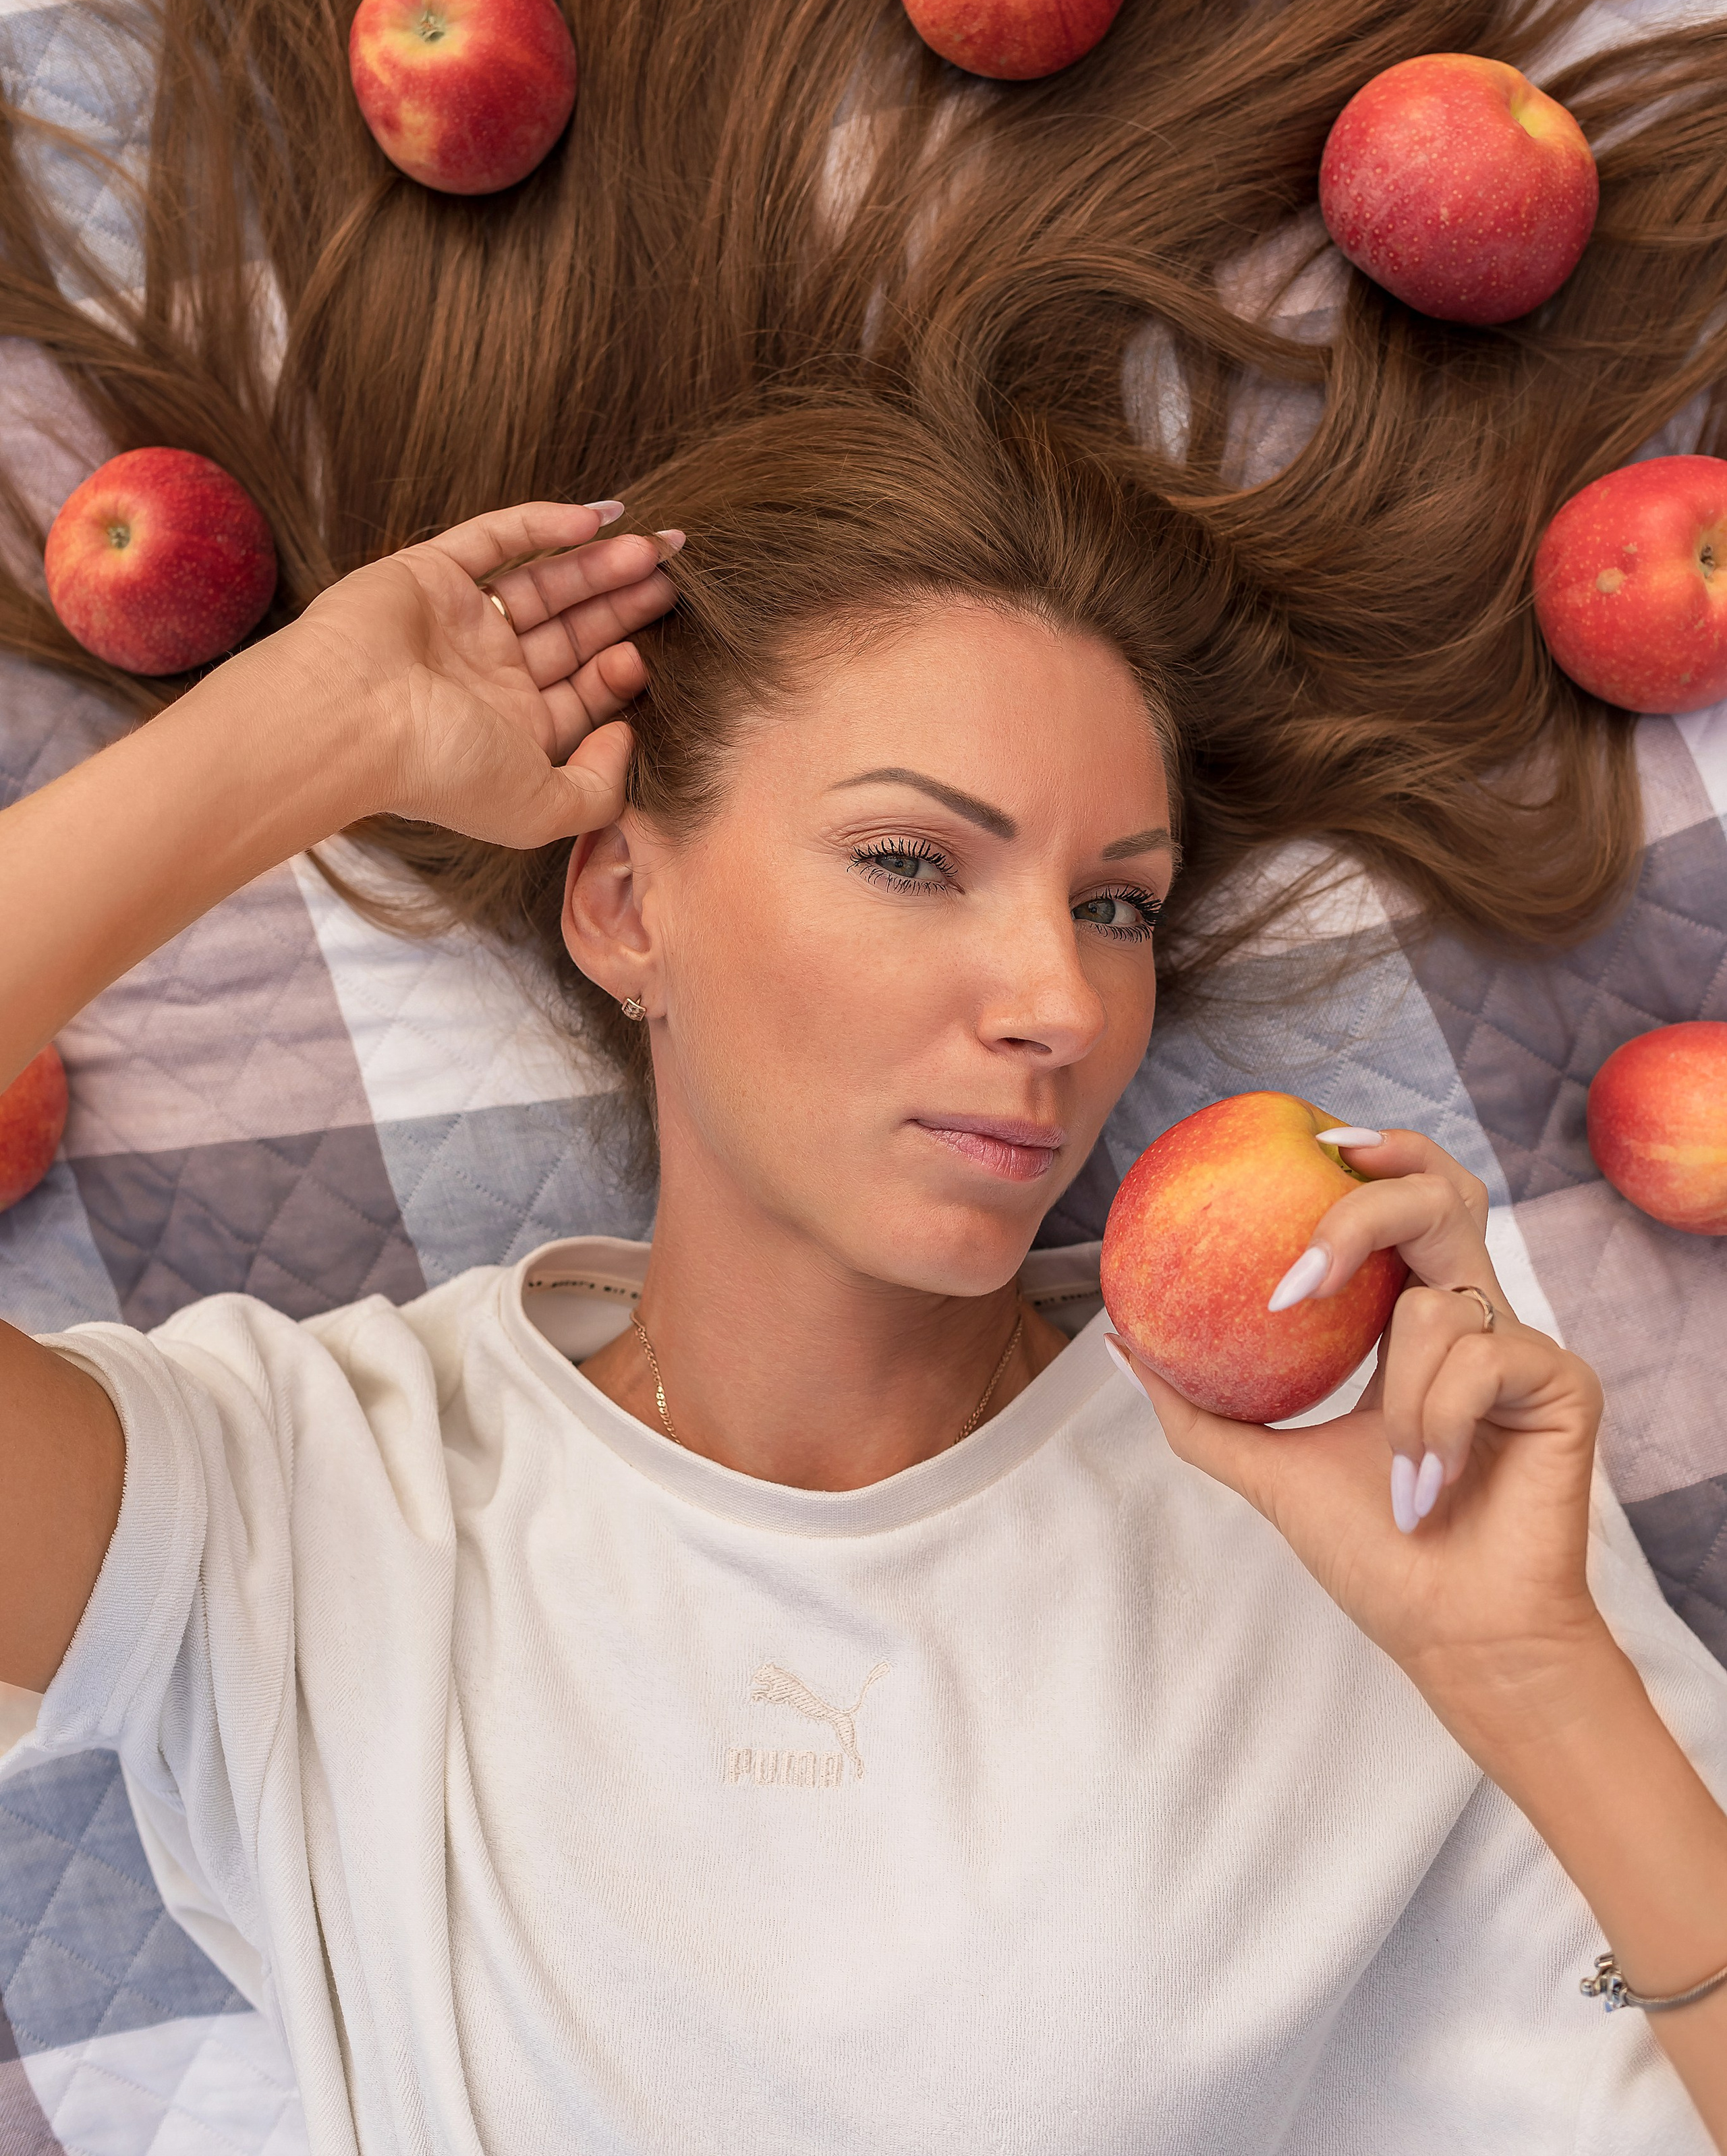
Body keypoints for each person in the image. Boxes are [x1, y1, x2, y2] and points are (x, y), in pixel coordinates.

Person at [1, 404, 1725, 2155]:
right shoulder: (309, 1500)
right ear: (620, 906)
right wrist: (314, 727)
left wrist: (1531, 1675)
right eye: (913, 860)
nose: (1057, 998)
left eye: (1117, 908)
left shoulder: (1400, 1484)